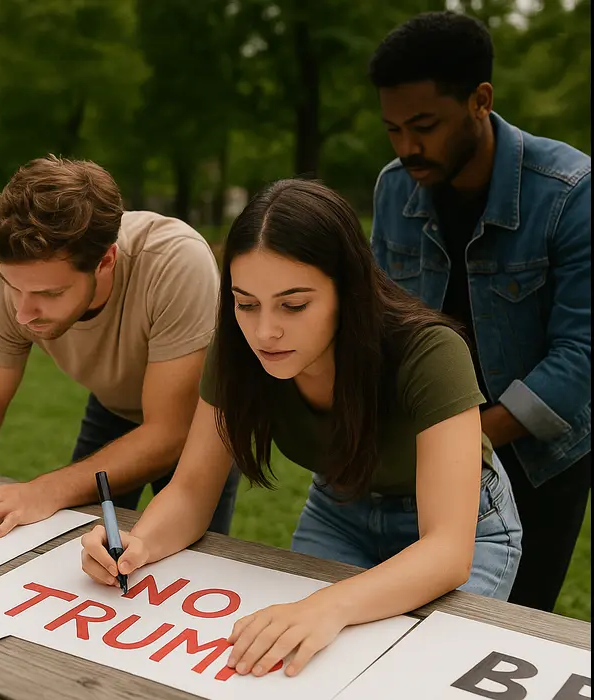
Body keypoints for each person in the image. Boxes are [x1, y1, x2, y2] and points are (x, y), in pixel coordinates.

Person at [79, 178, 523, 679]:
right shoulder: (234, 352)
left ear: (347, 290)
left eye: (294, 305)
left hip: (466, 525)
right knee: (295, 669)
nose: (265, 331)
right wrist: (138, 543)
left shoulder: (430, 353)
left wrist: (327, 605)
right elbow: (190, 492)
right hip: (341, 509)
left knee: (405, 677)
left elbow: (447, 550)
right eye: (245, 303)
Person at [367, 11, 590, 613]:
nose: (408, 147)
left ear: (479, 100)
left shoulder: (571, 191)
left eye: (424, 126)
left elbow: (582, 356)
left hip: (537, 459)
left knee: (503, 627)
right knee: (403, 614)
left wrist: (464, 438)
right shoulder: (394, 189)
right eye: (393, 129)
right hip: (425, 441)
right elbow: (379, 319)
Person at [0, 155, 242, 538]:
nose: (23, 313)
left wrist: (45, 489)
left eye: (50, 293)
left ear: (106, 261)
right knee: (80, 546)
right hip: (112, 404)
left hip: (201, 420)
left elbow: (168, 431)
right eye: (12, 287)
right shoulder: (14, 286)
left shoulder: (174, 263)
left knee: (189, 559)